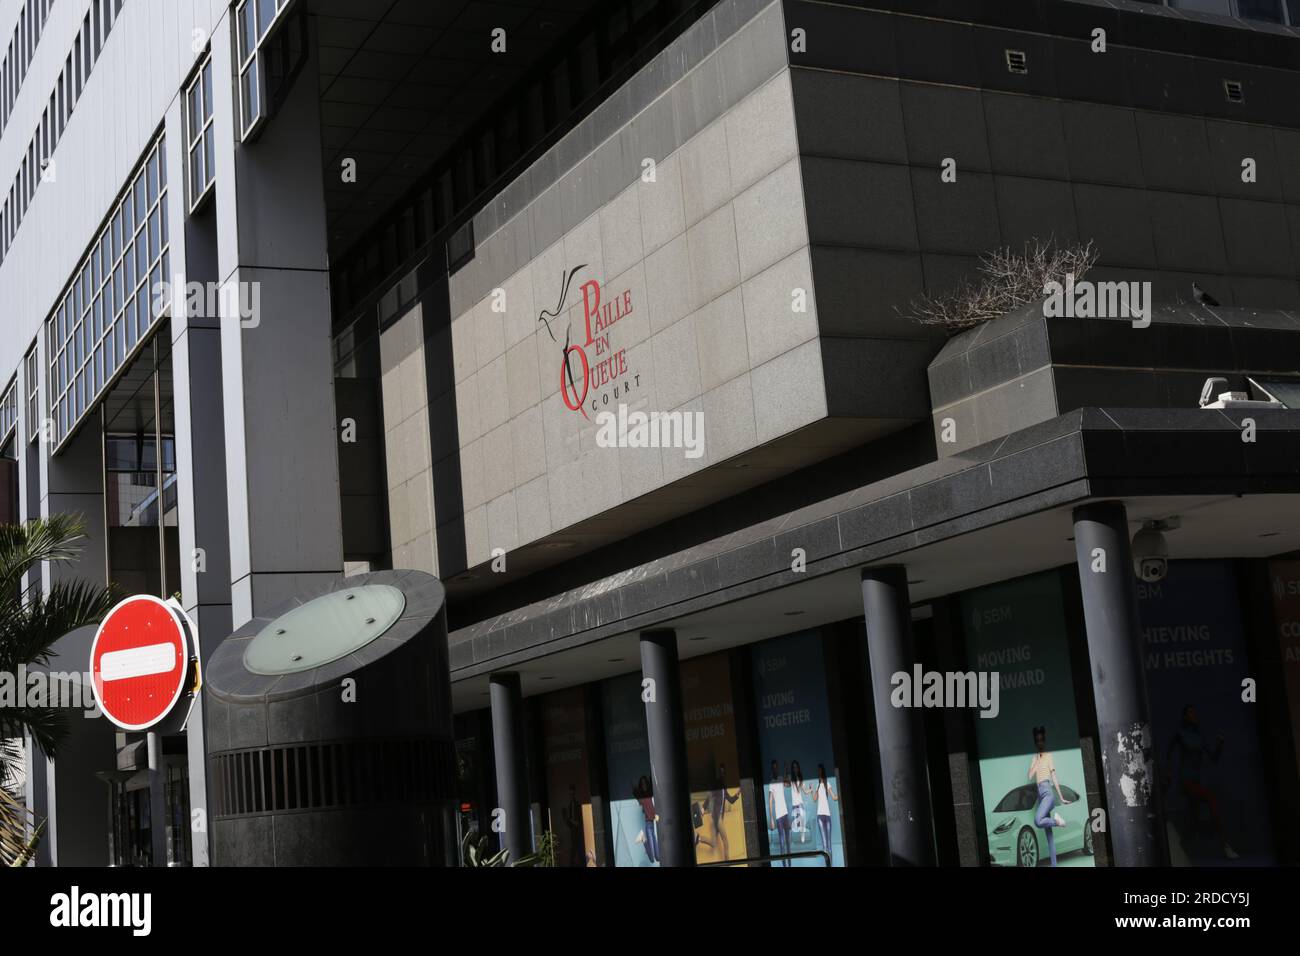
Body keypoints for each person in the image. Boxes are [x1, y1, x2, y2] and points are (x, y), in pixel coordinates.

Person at [1164, 704, 1237, 860]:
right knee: (1211, 799)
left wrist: (1220, 744)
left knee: (1194, 820)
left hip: (1196, 781)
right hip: (1186, 781)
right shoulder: (1180, 734)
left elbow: (1214, 758)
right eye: (1190, 713)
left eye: (1194, 712)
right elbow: (1169, 751)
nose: (1194, 715)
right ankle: (1225, 845)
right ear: (1185, 717)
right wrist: (1169, 771)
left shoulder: (1200, 737)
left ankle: (1183, 849)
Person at [1027, 725, 1069, 867]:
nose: (1040, 743)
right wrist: (1037, 761)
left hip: (1048, 792)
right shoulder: (1035, 758)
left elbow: (1054, 777)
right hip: (1040, 795)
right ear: (1035, 742)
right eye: (1037, 740)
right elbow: (1030, 775)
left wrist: (1061, 797)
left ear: (1044, 741)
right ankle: (1054, 865)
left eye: (1041, 740)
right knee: (1049, 836)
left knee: (1038, 821)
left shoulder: (1049, 756)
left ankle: (1058, 822)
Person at [705, 762, 741, 860]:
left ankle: (698, 838)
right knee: (726, 843)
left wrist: (738, 793)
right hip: (717, 817)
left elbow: (731, 800)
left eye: (723, 773)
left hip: (716, 818)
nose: (722, 775)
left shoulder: (724, 789)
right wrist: (703, 807)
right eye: (721, 772)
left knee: (713, 843)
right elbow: (709, 797)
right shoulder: (717, 785)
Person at [767, 760, 791, 866]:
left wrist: (786, 770)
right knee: (782, 843)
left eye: (776, 767)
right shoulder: (771, 783)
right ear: (772, 770)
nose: (775, 769)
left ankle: (789, 864)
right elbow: (770, 801)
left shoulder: (781, 779)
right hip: (779, 816)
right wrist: (771, 818)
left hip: (785, 813)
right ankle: (784, 865)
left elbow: (788, 785)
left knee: (788, 841)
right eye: (774, 767)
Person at [811, 763, 838, 858]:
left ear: (822, 771)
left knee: (829, 845)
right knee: (825, 845)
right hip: (820, 816)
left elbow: (834, 797)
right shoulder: (817, 785)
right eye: (818, 771)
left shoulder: (828, 784)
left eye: (820, 770)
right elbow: (814, 799)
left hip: (827, 815)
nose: (819, 772)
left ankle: (831, 864)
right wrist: (812, 790)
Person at [632, 776, 658, 865]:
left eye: (645, 783)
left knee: (657, 858)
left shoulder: (650, 794)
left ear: (647, 784)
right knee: (651, 859)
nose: (643, 785)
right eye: (642, 783)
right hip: (648, 825)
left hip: (653, 825)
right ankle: (643, 838)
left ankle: (643, 838)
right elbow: (635, 792)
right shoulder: (641, 797)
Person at [788, 760, 807, 844]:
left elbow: (805, 791)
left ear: (798, 768)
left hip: (800, 803)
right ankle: (798, 832)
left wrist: (810, 789)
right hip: (794, 804)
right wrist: (785, 769)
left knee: (802, 817)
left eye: (796, 767)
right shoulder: (790, 779)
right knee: (797, 824)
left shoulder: (801, 779)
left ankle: (802, 834)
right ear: (792, 769)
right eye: (794, 767)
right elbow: (786, 783)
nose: (795, 769)